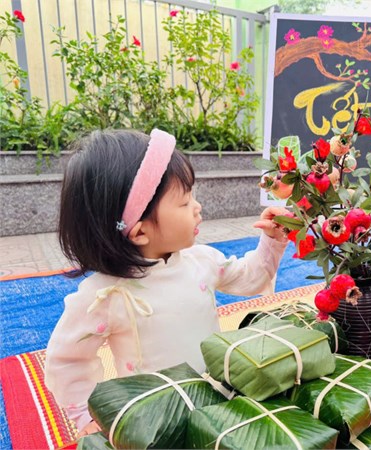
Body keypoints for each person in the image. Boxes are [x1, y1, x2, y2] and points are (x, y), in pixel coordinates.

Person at [44, 129, 289, 436]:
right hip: (155, 419)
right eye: (185, 202)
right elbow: (67, 359)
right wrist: (86, 414)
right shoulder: (107, 295)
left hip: (217, 400)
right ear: (140, 232)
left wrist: (271, 240)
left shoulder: (202, 261)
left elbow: (249, 278)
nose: (197, 207)